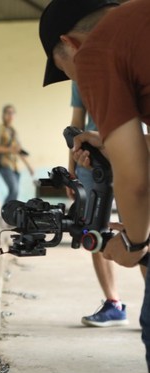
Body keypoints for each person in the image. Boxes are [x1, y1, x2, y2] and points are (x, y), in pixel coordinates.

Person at [39, 0, 150, 373]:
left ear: (70, 45)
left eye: (65, 70)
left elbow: (135, 182)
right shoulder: (138, 22)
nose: (77, 80)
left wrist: (134, 245)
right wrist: (109, 143)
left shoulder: (96, 50)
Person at [69, 81, 128, 327]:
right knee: (93, 231)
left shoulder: (130, 60)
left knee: (139, 232)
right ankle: (113, 303)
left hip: (130, 151)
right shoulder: (79, 73)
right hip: (90, 159)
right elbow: (76, 121)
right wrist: (72, 170)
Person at [0, 104, 34, 204]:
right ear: (3, 115)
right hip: (4, 164)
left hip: (14, 165)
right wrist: (9, 149)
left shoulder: (14, 131)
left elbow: (18, 150)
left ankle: (9, 214)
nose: (10, 115)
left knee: (15, 192)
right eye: (8, 113)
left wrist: (29, 166)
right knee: (14, 190)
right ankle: (4, 212)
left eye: (12, 113)